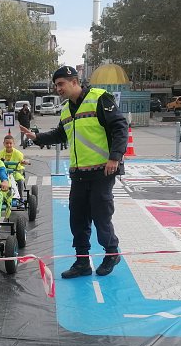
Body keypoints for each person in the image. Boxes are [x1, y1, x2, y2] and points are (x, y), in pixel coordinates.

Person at [20, 66, 128, 278]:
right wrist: (37, 137)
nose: (58, 88)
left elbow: (119, 126)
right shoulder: (67, 109)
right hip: (79, 173)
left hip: (102, 171)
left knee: (101, 216)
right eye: (56, 85)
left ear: (74, 81)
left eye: (61, 84)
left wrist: (115, 157)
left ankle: (112, 253)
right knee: (77, 218)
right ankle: (82, 263)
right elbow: (61, 134)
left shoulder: (99, 98)